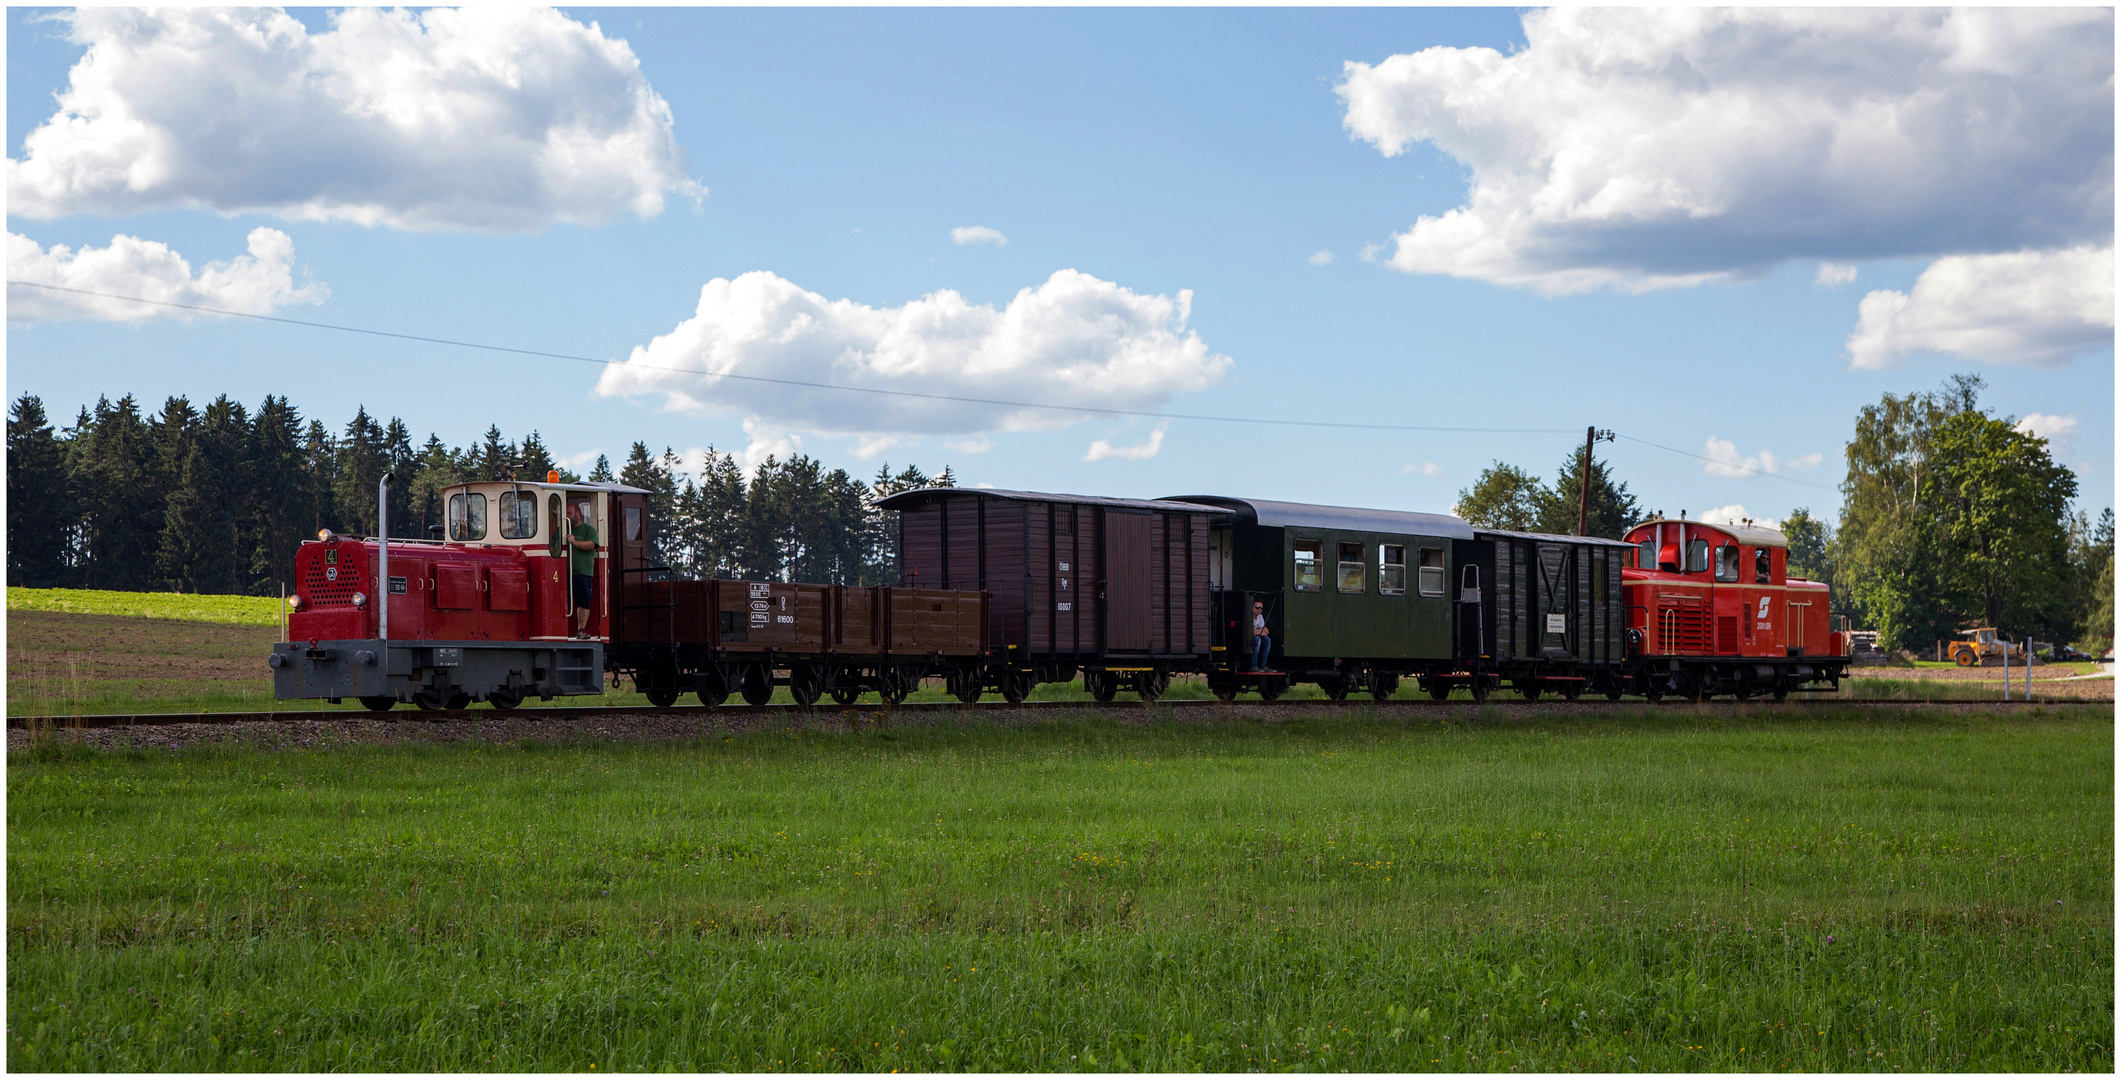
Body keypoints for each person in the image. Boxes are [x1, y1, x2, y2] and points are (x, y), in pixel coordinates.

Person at [567, 502, 599, 637]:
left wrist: (574, 542)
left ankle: (581, 630)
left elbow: (591, 545)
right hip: (564, 573)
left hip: (583, 573)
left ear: (578, 513)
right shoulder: (564, 529)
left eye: (569, 513)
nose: (567, 516)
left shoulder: (588, 530)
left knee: (583, 602)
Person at [1251, 600, 1271, 671]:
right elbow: (1252, 633)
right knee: (1257, 640)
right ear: (1252, 607)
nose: (1259, 609)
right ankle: (1253, 665)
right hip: (1249, 639)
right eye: (1257, 607)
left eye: (1261, 608)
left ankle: (1263, 665)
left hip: (1257, 636)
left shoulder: (1260, 617)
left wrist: (1258, 632)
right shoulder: (1249, 616)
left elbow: (1266, 632)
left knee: (1267, 640)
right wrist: (1259, 631)